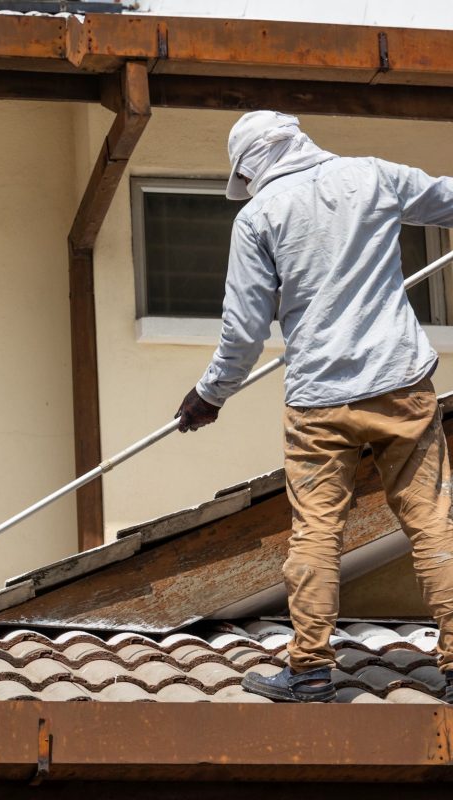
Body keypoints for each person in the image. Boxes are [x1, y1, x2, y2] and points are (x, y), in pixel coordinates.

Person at [174, 110, 453, 703]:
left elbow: (244, 332)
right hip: (401, 383)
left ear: (250, 170)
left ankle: (308, 672)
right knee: (431, 523)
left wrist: (209, 395)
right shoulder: (373, 176)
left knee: (317, 532)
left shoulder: (258, 217)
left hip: (319, 402)